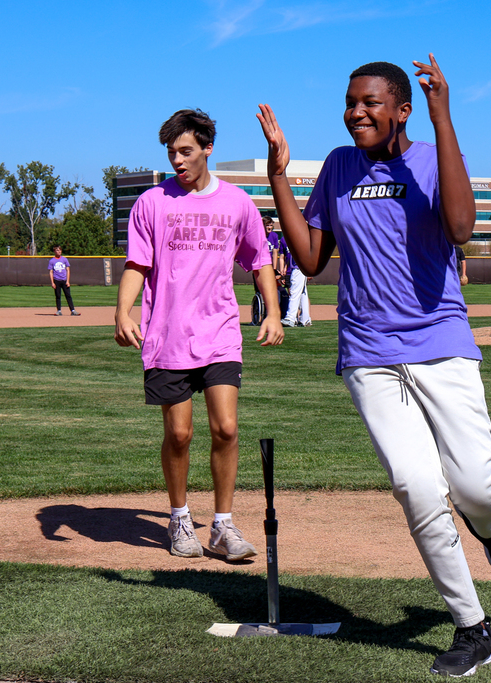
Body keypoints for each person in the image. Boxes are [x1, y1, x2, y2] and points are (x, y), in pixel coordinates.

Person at [257, 55, 491, 678]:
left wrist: (443, 117)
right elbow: (311, 258)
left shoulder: (432, 158)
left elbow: (461, 227)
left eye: (370, 103)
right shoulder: (338, 166)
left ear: (401, 110)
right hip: (369, 352)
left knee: (475, 489)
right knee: (416, 486)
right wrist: (279, 179)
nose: (356, 112)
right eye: (351, 102)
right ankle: (472, 627)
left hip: (442, 342)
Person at [114, 109, 284, 562]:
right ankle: (180, 517)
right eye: (172, 153)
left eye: (186, 151)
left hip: (220, 331)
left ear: (208, 148)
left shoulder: (237, 203)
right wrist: (122, 311)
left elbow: (259, 259)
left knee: (226, 428)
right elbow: (138, 264)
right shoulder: (151, 203)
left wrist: (273, 312)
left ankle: (223, 527)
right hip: (167, 336)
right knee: (180, 434)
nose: (178, 161)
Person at [279, 229, 312, 328]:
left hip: (299, 268)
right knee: (302, 293)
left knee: (294, 292)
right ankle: (305, 319)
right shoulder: (297, 237)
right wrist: (286, 266)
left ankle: (290, 318)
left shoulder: (300, 237)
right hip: (299, 267)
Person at [48, 246, 79, 316]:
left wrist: (68, 281)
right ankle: (59, 310)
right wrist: (52, 282)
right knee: (58, 296)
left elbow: (68, 270)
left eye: (59, 250)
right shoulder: (52, 261)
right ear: (54, 251)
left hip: (64, 280)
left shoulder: (64, 259)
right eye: (57, 250)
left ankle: (73, 310)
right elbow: (51, 272)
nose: (58, 252)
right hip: (56, 280)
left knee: (68, 295)